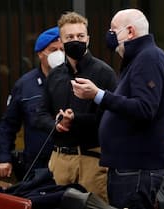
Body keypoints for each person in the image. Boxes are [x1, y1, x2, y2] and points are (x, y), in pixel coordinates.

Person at [71, 8, 164, 208]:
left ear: (130, 32)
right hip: (128, 167)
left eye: (113, 30)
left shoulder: (148, 58)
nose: (109, 36)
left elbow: (145, 108)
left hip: (135, 169)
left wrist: (98, 95)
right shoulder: (139, 59)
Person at [35, 12, 117, 202]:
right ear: (61, 42)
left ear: (88, 39)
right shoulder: (55, 76)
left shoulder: (104, 73)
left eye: (80, 36)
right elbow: (40, 114)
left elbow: (110, 117)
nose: (75, 40)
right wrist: (56, 124)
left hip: (92, 160)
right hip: (60, 160)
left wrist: (76, 119)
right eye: (69, 37)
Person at [0, 26, 65, 181]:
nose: (59, 54)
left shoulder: (75, 80)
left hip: (69, 162)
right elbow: (8, 124)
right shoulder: (25, 85)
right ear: (41, 53)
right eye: (53, 49)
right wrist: (4, 157)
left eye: (62, 49)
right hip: (37, 164)